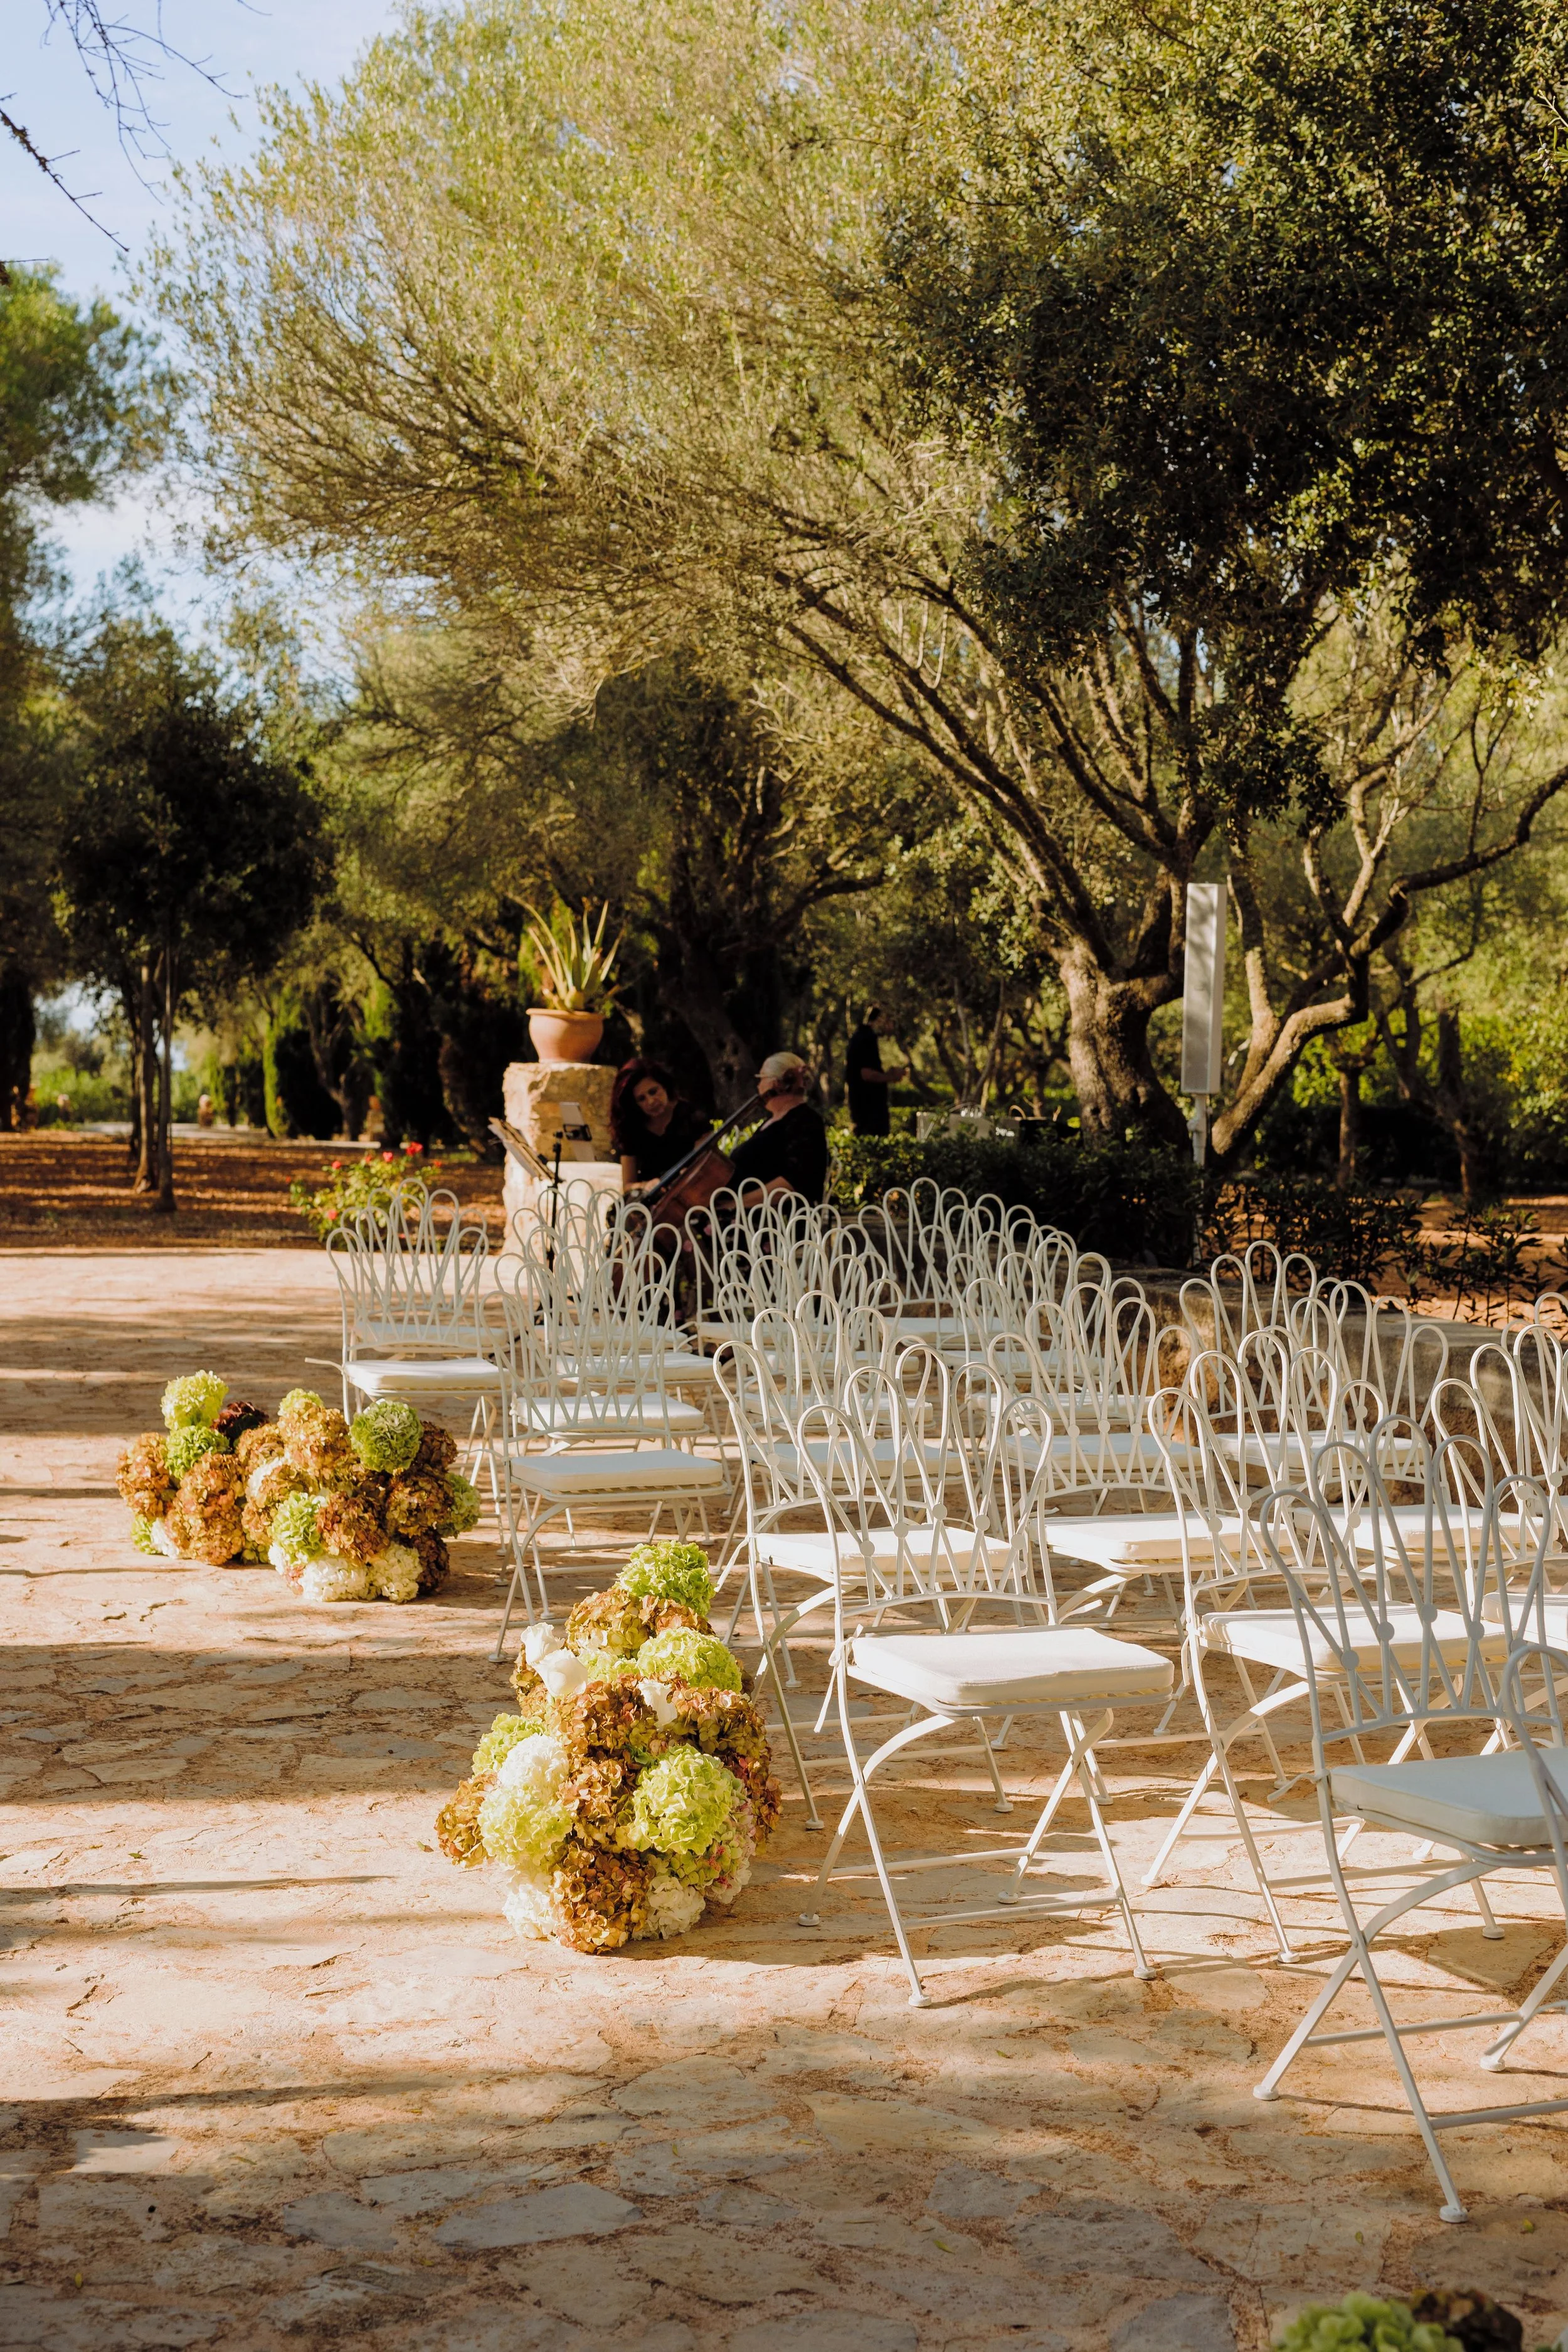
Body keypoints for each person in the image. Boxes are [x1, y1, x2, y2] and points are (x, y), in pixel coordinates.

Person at [728, 1051, 830, 1204]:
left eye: (761, 1079)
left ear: (774, 1083)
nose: (758, 1085)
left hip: (767, 1220)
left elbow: (792, 1183)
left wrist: (736, 1204)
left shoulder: (806, 1122)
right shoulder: (773, 1120)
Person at [610, 1057, 712, 1195]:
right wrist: (645, 1185)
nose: (651, 1101)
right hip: (654, 1200)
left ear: (664, 1086)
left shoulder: (692, 1117)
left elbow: (707, 1166)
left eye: (653, 1091)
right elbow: (628, 1185)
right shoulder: (632, 1129)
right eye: (642, 1099)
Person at [844, 1004, 905, 1137]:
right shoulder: (866, 1038)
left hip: (866, 1113)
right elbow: (866, 1074)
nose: (892, 1027)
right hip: (869, 1114)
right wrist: (892, 1077)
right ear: (881, 1020)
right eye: (890, 1022)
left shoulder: (861, 1037)